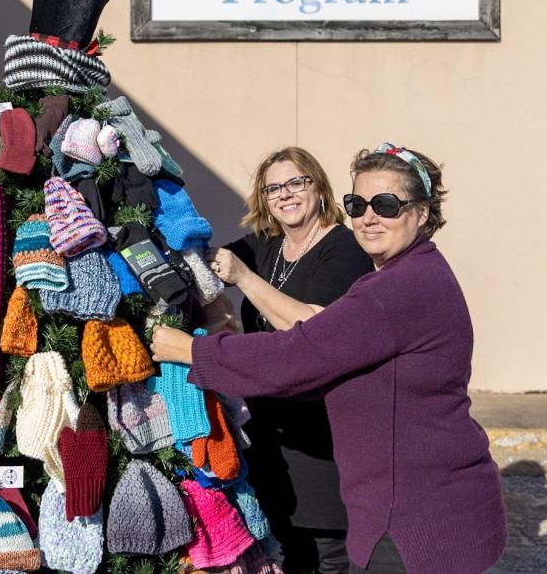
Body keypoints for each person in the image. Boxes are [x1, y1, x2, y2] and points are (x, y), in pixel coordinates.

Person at [153, 144, 505, 574]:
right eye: (358, 204)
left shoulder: (394, 291)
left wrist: (189, 350)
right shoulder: (411, 272)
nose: (369, 217)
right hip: (420, 510)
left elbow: (298, 355)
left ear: (422, 212)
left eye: (387, 204)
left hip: (415, 525)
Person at [207, 147, 373, 574]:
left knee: (325, 556)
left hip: (320, 437)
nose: (286, 194)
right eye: (273, 187)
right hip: (268, 434)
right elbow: (202, 264)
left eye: (296, 182)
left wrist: (243, 277)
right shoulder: (266, 245)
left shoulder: (345, 248)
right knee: (282, 550)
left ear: (317, 186)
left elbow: (311, 328)